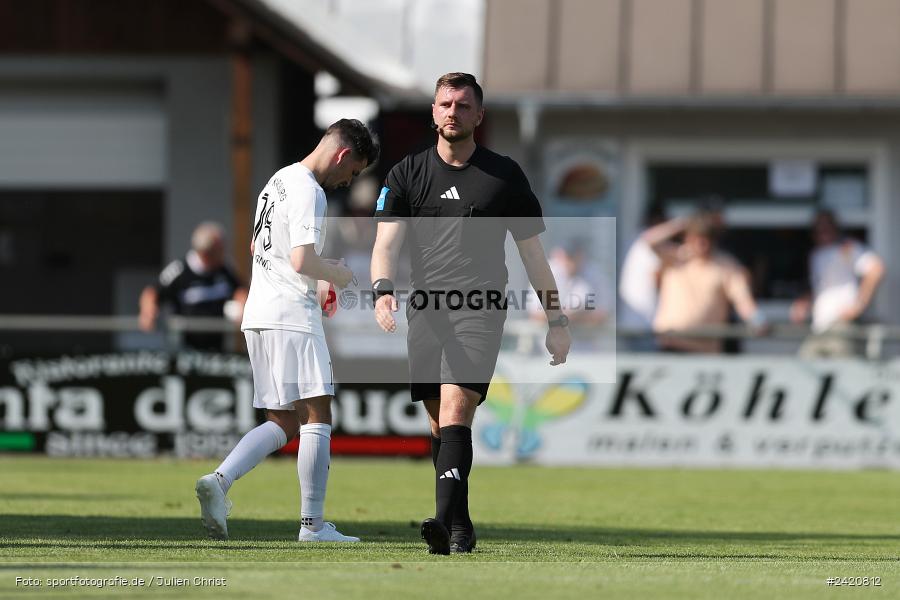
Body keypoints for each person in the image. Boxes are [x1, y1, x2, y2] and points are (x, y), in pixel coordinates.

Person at [370, 72, 571, 555]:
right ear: (433, 112)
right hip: (425, 310)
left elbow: (533, 256)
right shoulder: (406, 173)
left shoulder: (504, 175)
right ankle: (460, 525)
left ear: (479, 115)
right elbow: (386, 243)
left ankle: (441, 524)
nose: (452, 112)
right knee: (439, 424)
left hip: (480, 308)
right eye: (445, 104)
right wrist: (381, 290)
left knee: (457, 407)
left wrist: (557, 320)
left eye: (463, 105)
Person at [195, 119, 379, 542]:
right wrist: (336, 273)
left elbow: (261, 249)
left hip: (259, 314)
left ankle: (219, 481)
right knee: (318, 413)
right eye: (352, 172)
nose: (346, 182)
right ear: (343, 155)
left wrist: (318, 280)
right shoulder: (310, 190)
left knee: (283, 420)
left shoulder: (276, 181)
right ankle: (313, 526)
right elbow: (301, 260)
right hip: (291, 315)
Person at [652, 214, 766, 353]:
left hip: (704, 351)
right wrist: (680, 224)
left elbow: (743, 301)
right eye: (696, 238)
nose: (701, 244)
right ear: (688, 239)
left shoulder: (727, 266)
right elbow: (649, 241)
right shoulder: (675, 257)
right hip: (669, 344)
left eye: (706, 238)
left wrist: (758, 319)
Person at [138, 222, 247, 350]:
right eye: (220, 250)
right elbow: (152, 293)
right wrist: (147, 312)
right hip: (185, 348)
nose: (223, 253)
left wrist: (242, 306)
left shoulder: (225, 269)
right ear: (206, 253)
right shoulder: (179, 270)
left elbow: (240, 289)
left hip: (216, 348)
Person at [791, 210, 885, 357]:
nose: (823, 231)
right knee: (805, 363)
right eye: (819, 228)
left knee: (841, 366)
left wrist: (859, 305)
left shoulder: (847, 248)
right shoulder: (816, 254)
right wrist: (804, 303)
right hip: (820, 326)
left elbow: (876, 269)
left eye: (826, 227)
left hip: (841, 324)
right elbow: (821, 287)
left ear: (835, 227)